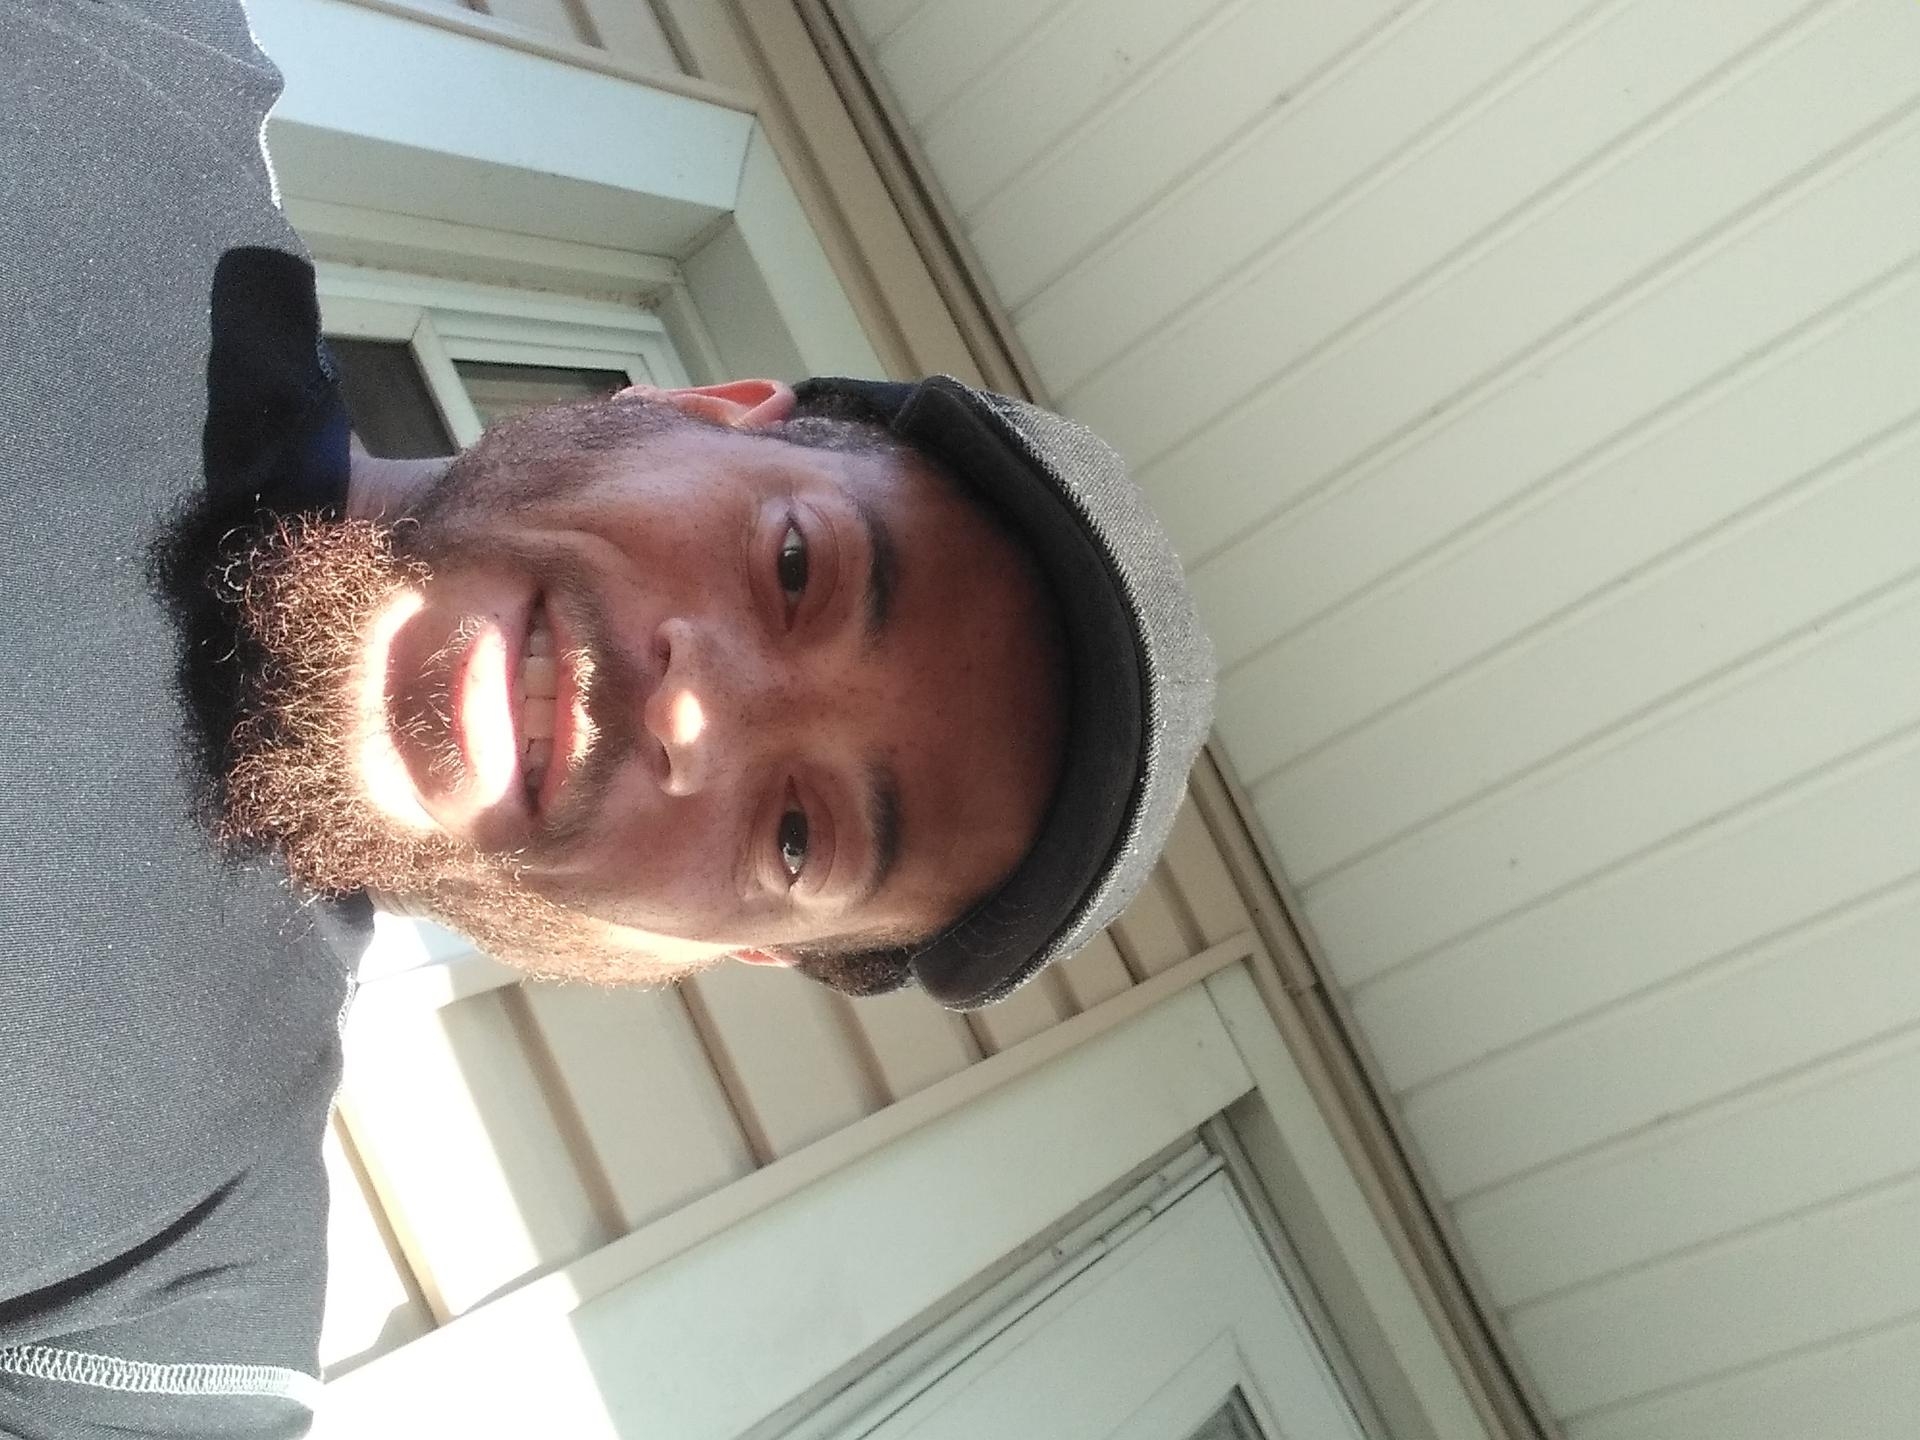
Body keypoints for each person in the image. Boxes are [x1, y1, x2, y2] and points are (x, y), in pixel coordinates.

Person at [0, 1, 1212, 1435]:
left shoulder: (179, 1299)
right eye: (798, 568)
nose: (696, 712)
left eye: (802, 835)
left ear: (727, 948)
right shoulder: (119, 71)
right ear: (708, 407)